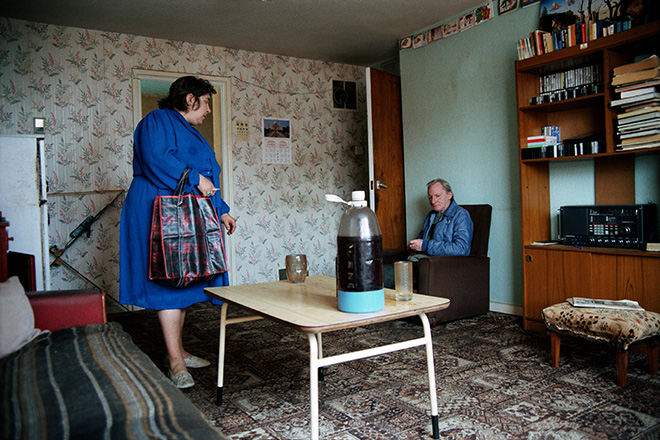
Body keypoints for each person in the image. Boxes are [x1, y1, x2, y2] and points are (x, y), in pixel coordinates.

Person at [119, 76, 236, 389]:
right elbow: (157, 158)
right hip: (158, 210)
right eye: (206, 101)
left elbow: (209, 173)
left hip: (187, 212)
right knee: (169, 281)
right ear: (189, 99)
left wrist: (221, 209)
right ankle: (174, 363)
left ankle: (180, 350)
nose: (209, 110)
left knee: (185, 281)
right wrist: (196, 179)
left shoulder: (192, 134)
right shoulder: (156, 120)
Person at [384, 178, 473, 288]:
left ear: (449, 195)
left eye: (437, 196)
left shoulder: (461, 215)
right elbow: (421, 239)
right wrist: (413, 247)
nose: (433, 201)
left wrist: (425, 246)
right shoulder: (431, 215)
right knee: (378, 271)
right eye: (430, 197)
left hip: (437, 265)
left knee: (382, 275)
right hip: (419, 261)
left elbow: (461, 248)